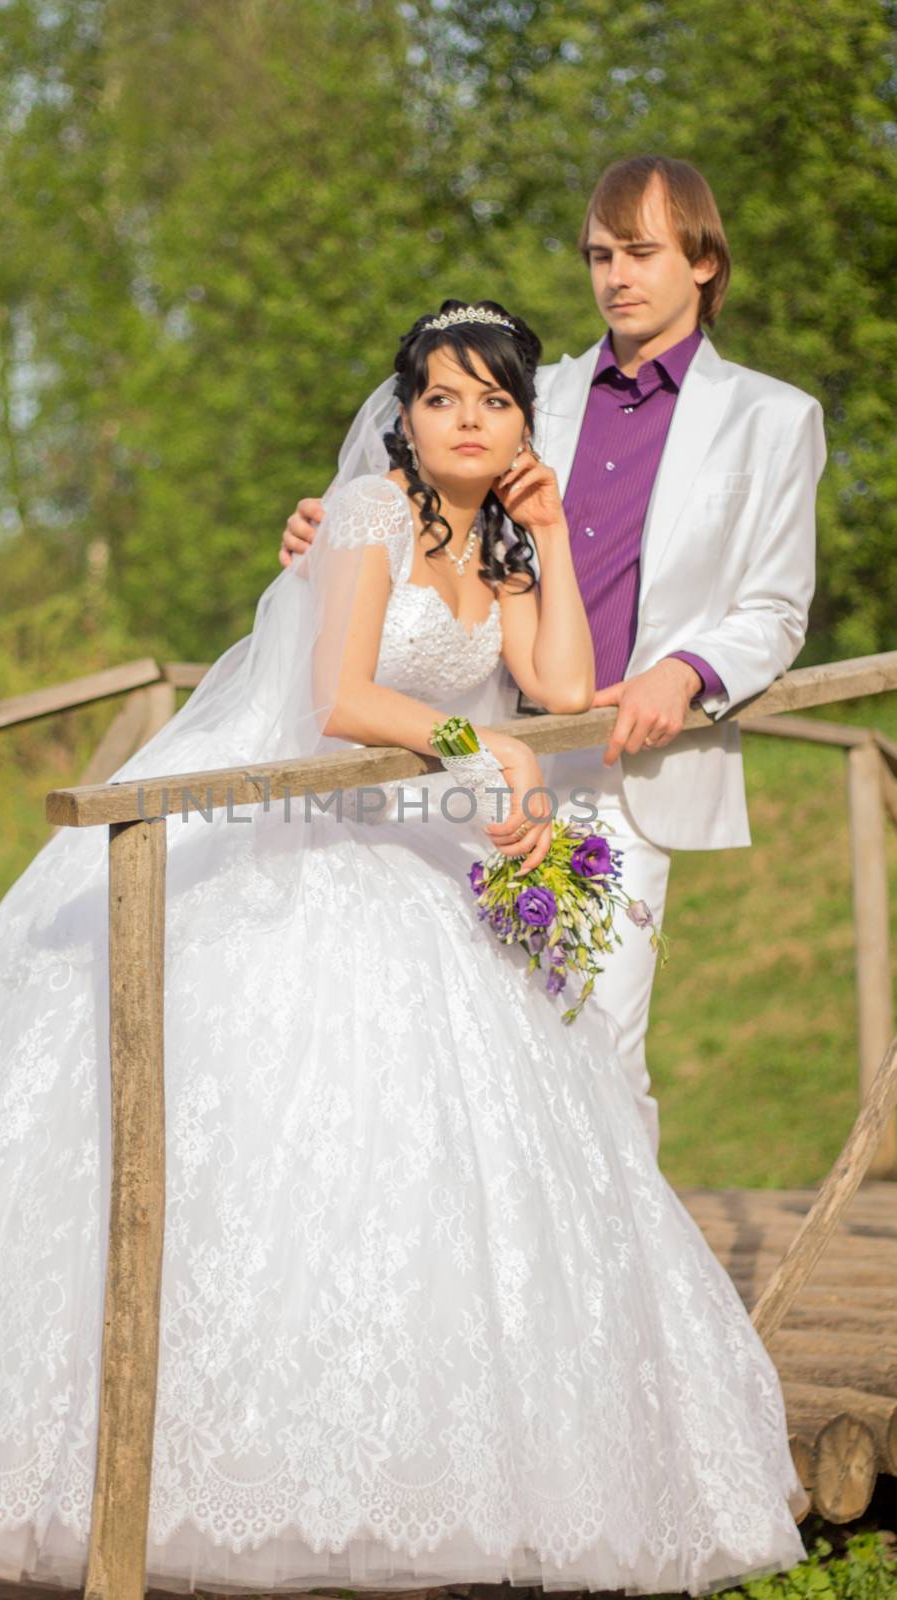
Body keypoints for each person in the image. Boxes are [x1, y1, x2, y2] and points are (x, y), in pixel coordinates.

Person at [0, 301, 810, 1596]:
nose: (465, 421)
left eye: (493, 402)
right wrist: (475, 750)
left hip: (418, 850)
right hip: (309, 837)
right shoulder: (364, 520)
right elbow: (343, 698)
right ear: (402, 414)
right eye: (441, 398)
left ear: (524, 421)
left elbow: (565, 686)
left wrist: (558, 538)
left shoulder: (509, 539)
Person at [281, 156, 827, 1160]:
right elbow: (425, 504)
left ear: (702, 261)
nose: (615, 274)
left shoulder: (772, 418)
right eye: (598, 254)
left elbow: (774, 608)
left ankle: (630, 1301)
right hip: (481, 765)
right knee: (483, 1049)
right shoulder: (525, 390)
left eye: (641, 251)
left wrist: (691, 671)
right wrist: (327, 538)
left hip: (631, 767)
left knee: (602, 1044)